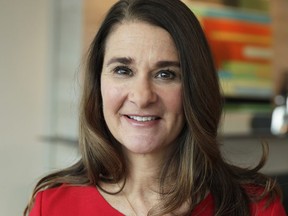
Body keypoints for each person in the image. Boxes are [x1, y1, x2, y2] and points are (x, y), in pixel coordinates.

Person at [24, 0, 287, 215]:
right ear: (98, 84)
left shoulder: (257, 208)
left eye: (166, 74)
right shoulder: (53, 206)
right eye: (123, 70)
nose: (142, 96)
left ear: (195, 88)